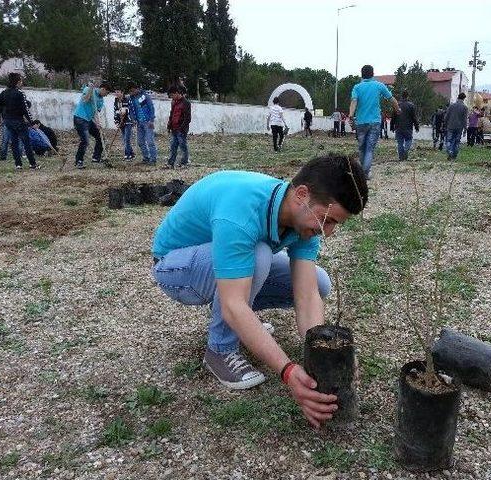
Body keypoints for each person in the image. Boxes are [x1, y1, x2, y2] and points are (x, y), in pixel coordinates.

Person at [151, 154, 368, 428]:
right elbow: (233, 304)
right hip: (175, 268)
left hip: (224, 262)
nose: (329, 232)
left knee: (319, 281)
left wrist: (321, 356)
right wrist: (288, 372)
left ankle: (244, 326)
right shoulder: (242, 210)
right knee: (258, 257)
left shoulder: (301, 219)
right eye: (327, 220)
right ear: (302, 194)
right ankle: (220, 350)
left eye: (336, 223)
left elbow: (307, 295)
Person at [348, 64, 401, 180]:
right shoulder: (379, 86)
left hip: (361, 122)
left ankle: (364, 173)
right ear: (373, 74)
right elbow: (391, 99)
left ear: (362, 74)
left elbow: (354, 101)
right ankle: (365, 173)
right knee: (369, 148)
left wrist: (351, 115)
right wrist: (397, 109)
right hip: (375, 122)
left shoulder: (357, 87)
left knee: (362, 148)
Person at [0, 73, 40, 170]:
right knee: (26, 142)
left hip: (8, 121)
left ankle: (18, 165)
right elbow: (25, 110)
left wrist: (7, 106)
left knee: (14, 143)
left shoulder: (5, 92)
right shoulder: (20, 93)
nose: (22, 83)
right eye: (21, 81)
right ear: (17, 82)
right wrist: (32, 122)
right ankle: (33, 164)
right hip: (18, 121)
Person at [72, 81, 111, 169]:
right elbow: (85, 99)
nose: (106, 95)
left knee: (100, 137)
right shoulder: (88, 89)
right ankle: (79, 161)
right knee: (85, 140)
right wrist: (90, 89)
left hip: (89, 120)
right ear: (103, 89)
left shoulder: (101, 99)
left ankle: (96, 158)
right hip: (80, 118)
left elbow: (95, 112)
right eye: (107, 92)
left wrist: (97, 123)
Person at [129, 84, 158, 165]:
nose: (132, 92)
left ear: (138, 89)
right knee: (140, 141)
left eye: (133, 90)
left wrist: (152, 120)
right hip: (139, 123)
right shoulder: (131, 99)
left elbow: (151, 108)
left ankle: (153, 159)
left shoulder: (146, 97)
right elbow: (131, 110)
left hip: (148, 122)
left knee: (150, 141)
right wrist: (133, 119)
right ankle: (146, 158)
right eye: (131, 91)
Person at [163, 85, 191, 169]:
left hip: (181, 130)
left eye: (172, 95)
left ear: (176, 93)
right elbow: (171, 115)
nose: (171, 97)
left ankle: (184, 163)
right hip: (174, 129)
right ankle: (170, 163)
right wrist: (169, 125)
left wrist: (181, 128)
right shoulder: (174, 102)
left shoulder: (186, 103)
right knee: (173, 147)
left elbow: (188, 118)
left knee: (183, 147)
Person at [390, 90, 420, 161]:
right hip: (408, 127)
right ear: (407, 96)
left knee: (399, 142)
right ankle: (406, 150)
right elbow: (414, 117)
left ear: (401, 96)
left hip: (398, 127)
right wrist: (416, 126)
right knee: (409, 140)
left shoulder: (397, 105)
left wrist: (391, 126)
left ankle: (401, 157)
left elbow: (393, 116)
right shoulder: (411, 105)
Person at [443, 92, 468, 160]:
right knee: (456, 141)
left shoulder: (451, 106)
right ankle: (454, 155)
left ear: (458, 97)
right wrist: (465, 129)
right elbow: (465, 119)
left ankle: (449, 151)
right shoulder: (465, 107)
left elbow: (446, 116)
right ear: (464, 99)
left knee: (449, 140)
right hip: (459, 127)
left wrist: (445, 124)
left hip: (450, 126)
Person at [113, 88, 134, 160]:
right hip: (121, 122)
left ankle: (127, 154)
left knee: (126, 139)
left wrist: (126, 110)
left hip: (128, 121)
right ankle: (131, 153)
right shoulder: (116, 101)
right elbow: (115, 112)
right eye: (115, 92)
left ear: (122, 92)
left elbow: (130, 109)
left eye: (118, 92)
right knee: (124, 139)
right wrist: (116, 122)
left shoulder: (127, 99)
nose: (116, 93)